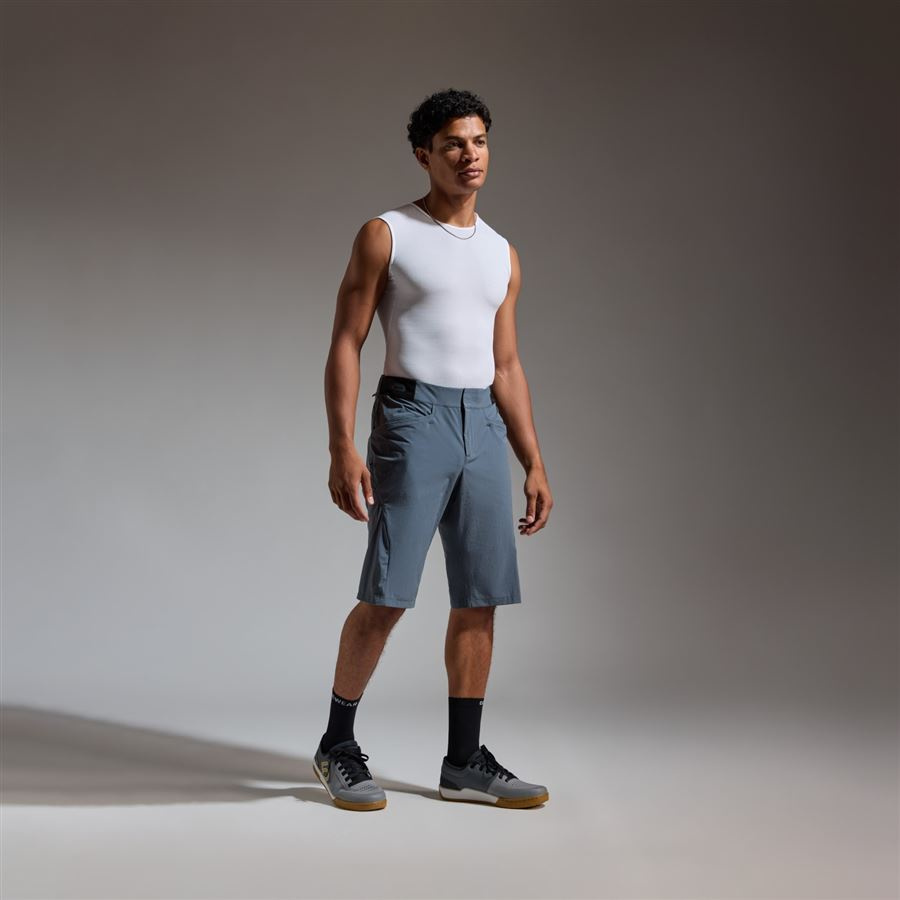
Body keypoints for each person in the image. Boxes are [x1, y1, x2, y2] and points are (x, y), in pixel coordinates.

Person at [315, 88, 553, 811]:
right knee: (387, 594)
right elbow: (347, 341)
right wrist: (342, 445)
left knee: (481, 597)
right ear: (424, 154)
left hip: (481, 422)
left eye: (479, 141)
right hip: (412, 417)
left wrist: (533, 460)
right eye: (453, 143)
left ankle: (463, 760)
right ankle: (336, 745)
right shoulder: (388, 234)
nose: (469, 155)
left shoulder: (502, 254)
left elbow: (505, 365)